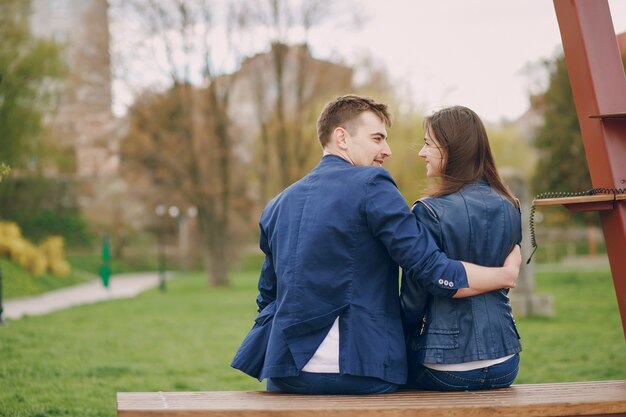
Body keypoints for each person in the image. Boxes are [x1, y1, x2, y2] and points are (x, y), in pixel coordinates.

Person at [231, 95, 521, 395]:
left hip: (286, 373)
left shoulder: (278, 204)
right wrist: (503, 276)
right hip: (362, 371)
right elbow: (432, 270)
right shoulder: (372, 184)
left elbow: (267, 296)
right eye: (377, 138)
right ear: (342, 138)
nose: (387, 150)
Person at [400, 105, 522, 391]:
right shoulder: (510, 205)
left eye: (428, 144)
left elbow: (413, 299)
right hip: (505, 360)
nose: (421, 152)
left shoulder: (428, 212)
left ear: (452, 150)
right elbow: (503, 280)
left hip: (444, 365)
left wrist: (400, 340)